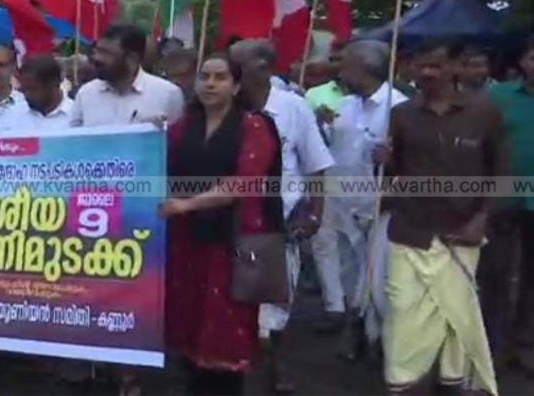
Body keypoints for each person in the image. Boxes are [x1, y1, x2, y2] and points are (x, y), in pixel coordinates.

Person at [381, 38, 507, 395]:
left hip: (460, 232)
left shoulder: (484, 111)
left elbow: (501, 170)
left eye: (435, 65)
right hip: (410, 232)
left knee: (456, 314)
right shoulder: (402, 114)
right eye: (421, 65)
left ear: (455, 68)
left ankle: (453, 382)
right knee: (402, 309)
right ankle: (401, 381)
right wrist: (384, 162)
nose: (426, 72)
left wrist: (483, 216)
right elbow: (395, 174)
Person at [161, 54, 284, 396]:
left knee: (224, 340)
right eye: (204, 77)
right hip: (186, 241)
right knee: (188, 332)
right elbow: (159, 165)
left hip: (231, 245)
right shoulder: (184, 126)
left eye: (220, 77)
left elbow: (245, 182)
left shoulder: (254, 125)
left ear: (237, 85)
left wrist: (188, 203)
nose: (210, 84)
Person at [228, 40, 334, 394]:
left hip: (280, 227)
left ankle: (274, 374)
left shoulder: (294, 108)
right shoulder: (224, 106)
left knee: (272, 317)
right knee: (236, 311)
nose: (232, 70)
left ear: (264, 67)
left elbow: (316, 165)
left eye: (238, 64)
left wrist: (315, 214)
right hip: (230, 225)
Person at [311, 41, 407, 348]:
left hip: (377, 203)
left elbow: (411, 159)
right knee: (348, 269)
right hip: (340, 200)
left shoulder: (397, 107)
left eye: (345, 66)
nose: (339, 72)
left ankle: (378, 338)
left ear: (364, 69)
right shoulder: (348, 105)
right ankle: (353, 324)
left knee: (377, 276)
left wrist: (391, 160)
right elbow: (339, 147)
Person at [486, 35, 534, 371]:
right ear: (522, 62)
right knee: (495, 272)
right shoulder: (497, 97)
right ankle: (490, 344)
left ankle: (526, 344)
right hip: (502, 197)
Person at [71, 24, 184, 128]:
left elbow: (176, 143)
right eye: (97, 51)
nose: (98, 58)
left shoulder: (167, 94)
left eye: (106, 53)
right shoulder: (86, 94)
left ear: (132, 58)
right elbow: (73, 142)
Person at [0, 55, 73, 132]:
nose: (27, 95)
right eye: (24, 90)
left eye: (32, 89)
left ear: (53, 83)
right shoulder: (14, 114)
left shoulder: (76, 114)